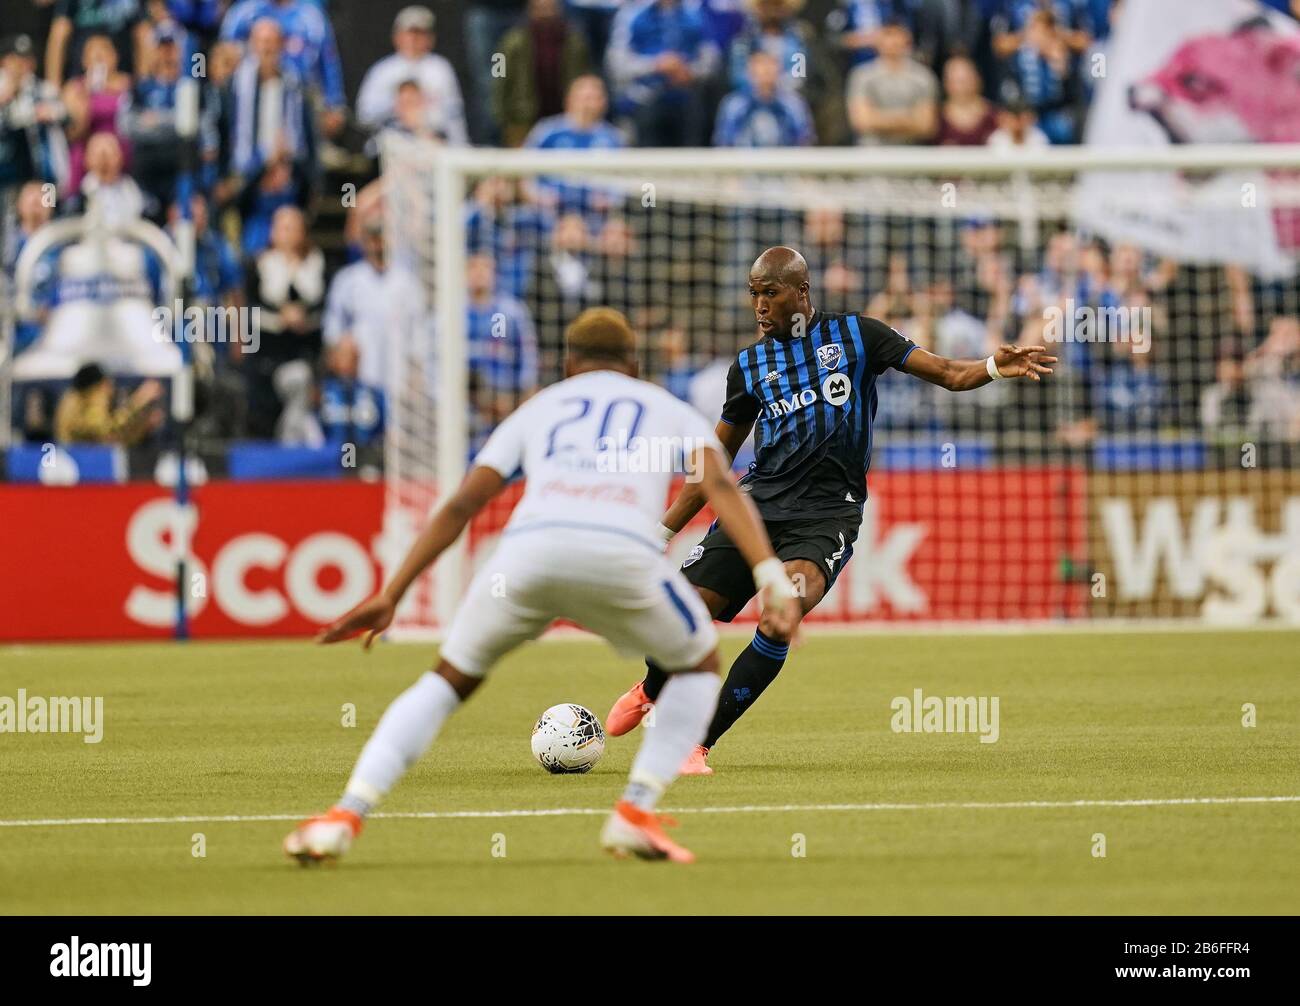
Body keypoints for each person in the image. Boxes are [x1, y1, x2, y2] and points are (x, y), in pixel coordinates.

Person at [287, 307, 800, 865]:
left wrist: (394, 592)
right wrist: (769, 572)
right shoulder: (666, 407)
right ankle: (635, 810)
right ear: (632, 364)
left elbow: (462, 503)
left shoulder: (541, 408)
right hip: (623, 559)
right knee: (698, 666)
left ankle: (344, 816)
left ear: (567, 363)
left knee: (445, 682)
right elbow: (722, 487)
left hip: (527, 561)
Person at [604, 246, 1055, 773]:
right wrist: (660, 533)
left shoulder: (859, 336)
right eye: (753, 294)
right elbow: (715, 459)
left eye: (770, 293)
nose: (760, 306)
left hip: (826, 517)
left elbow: (949, 374)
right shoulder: (749, 366)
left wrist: (993, 369)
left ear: (801, 291)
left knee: (781, 615)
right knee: (687, 608)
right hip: (757, 508)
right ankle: (652, 686)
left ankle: (695, 744)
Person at [355, 6, 468, 146]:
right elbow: (364, 116)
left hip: (433, 142)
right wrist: (398, 106)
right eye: (410, 33)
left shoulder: (441, 69)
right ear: (397, 36)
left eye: (420, 33)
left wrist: (460, 147)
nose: (414, 39)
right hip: (392, 144)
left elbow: (454, 115)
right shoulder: (383, 70)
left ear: (430, 38)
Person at [846, 16, 938, 145]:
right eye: (888, 34)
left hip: (912, 154)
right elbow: (861, 121)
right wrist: (907, 120)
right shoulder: (862, 75)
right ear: (878, 39)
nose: (892, 41)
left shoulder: (923, 76)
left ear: (907, 39)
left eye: (897, 35)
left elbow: (926, 125)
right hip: (871, 154)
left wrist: (878, 119)